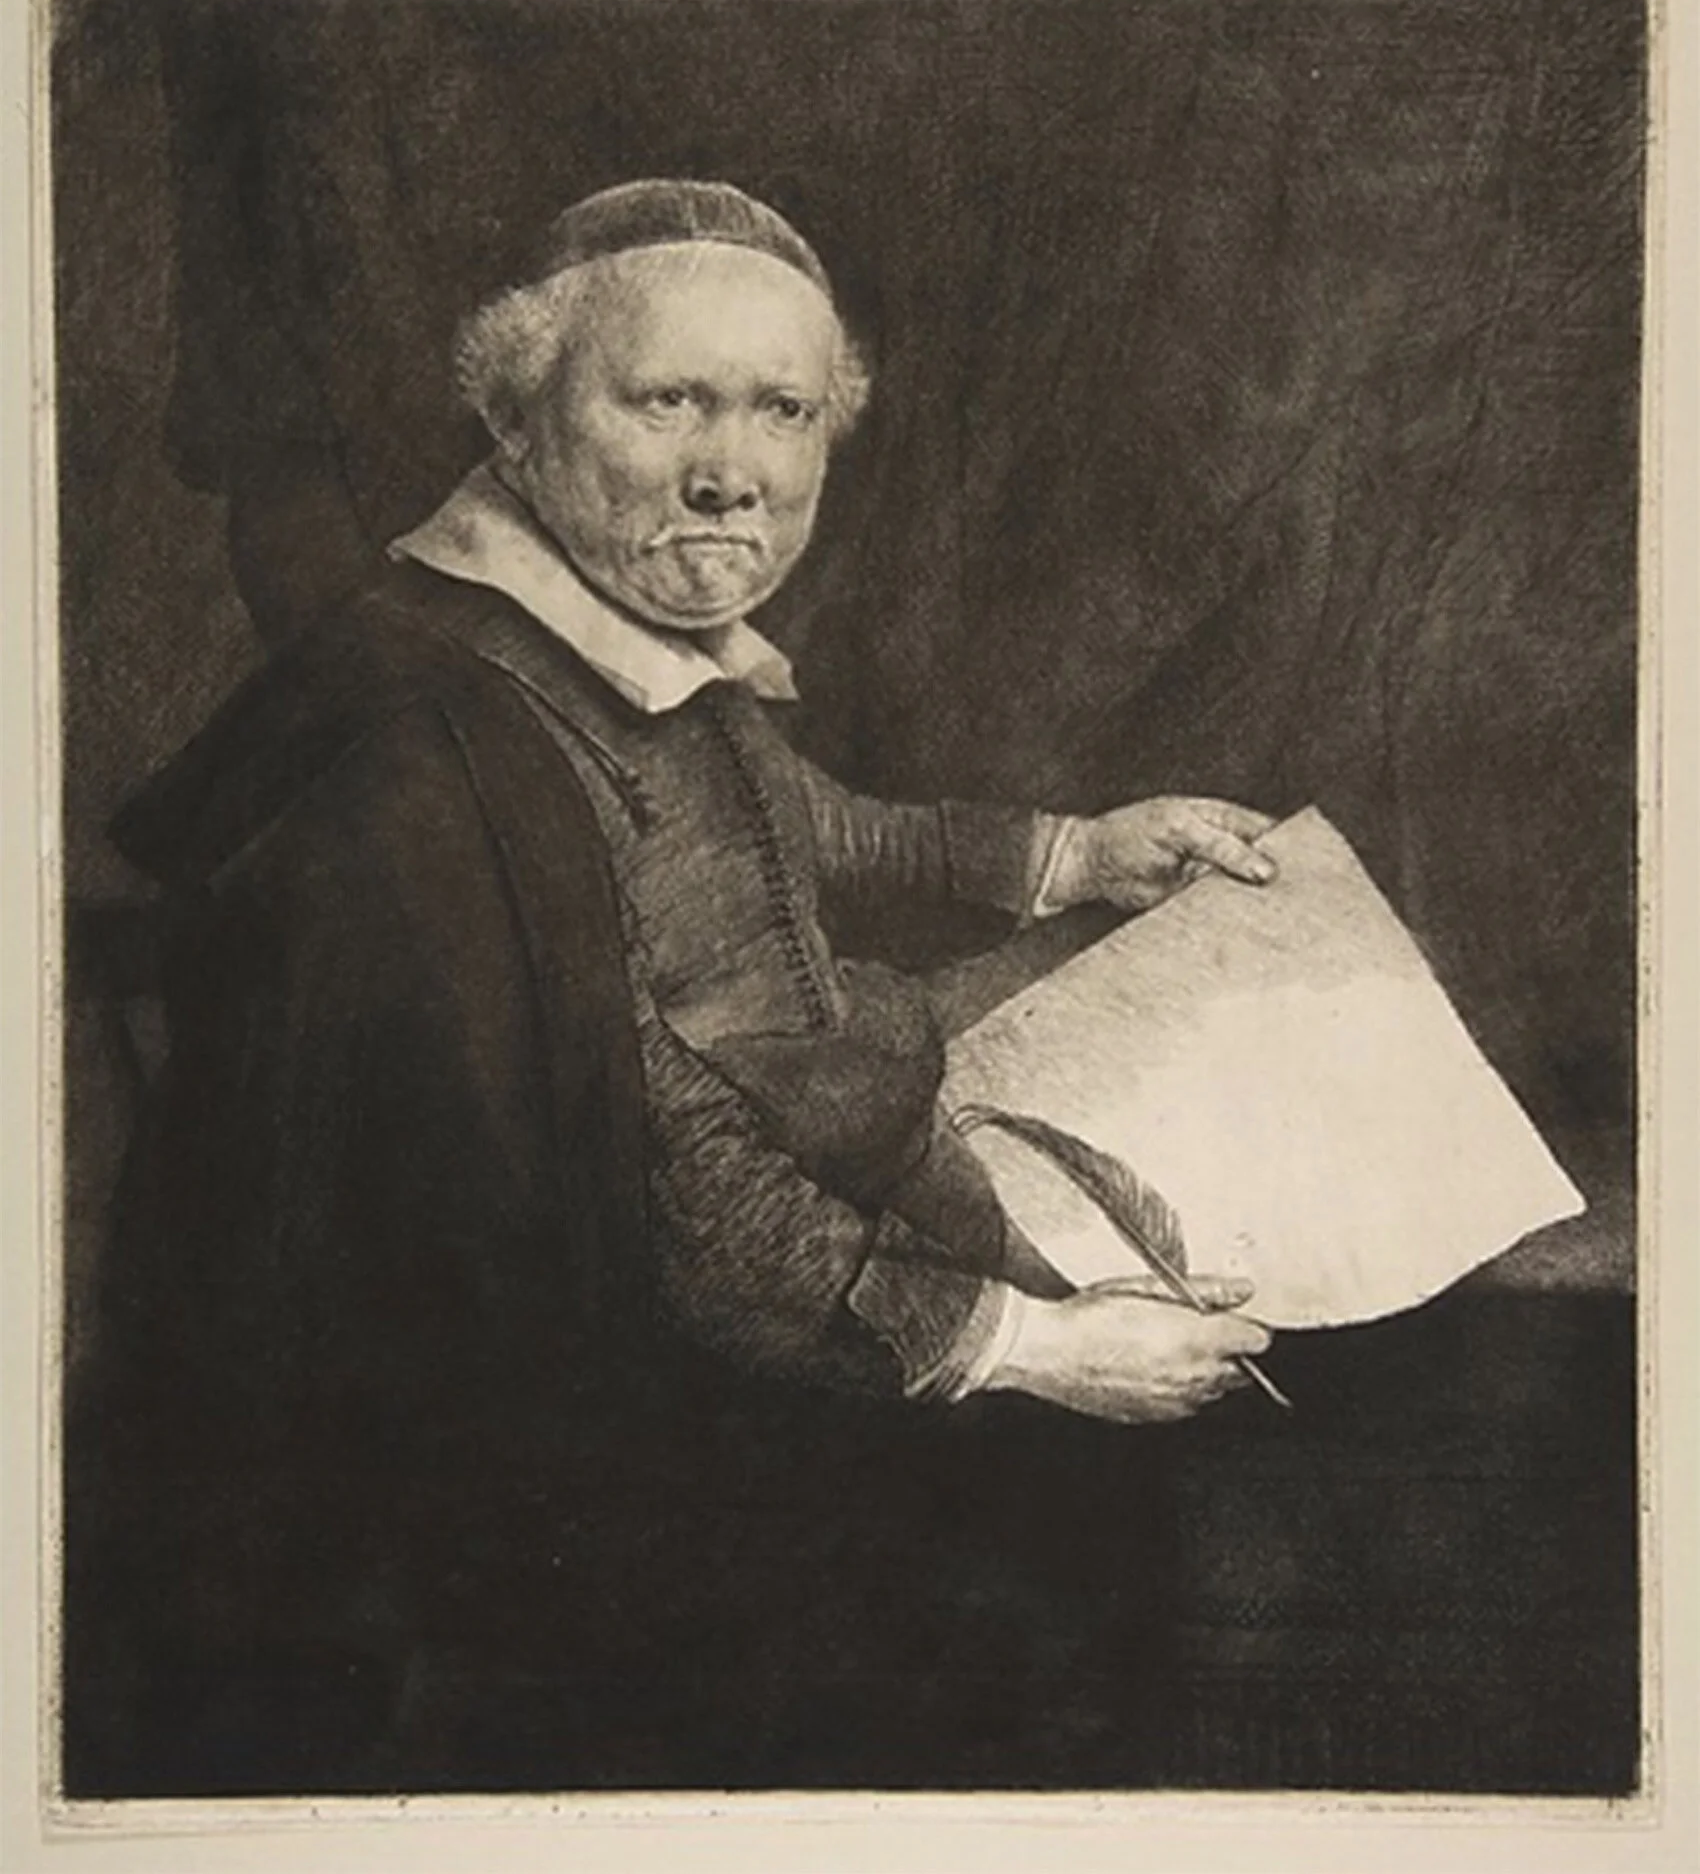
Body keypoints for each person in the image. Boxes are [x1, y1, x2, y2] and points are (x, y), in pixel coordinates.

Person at [67, 181, 1276, 1797]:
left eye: (784, 410)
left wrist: (1074, 852)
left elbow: (791, 830)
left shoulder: (603, 622)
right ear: (518, 422)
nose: (733, 470)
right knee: (1114, 1539)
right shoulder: (439, 745)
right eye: (668, 401)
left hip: (768, 1249)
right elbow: (682, 1196)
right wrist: (1024, 1347)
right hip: (569, 1454)